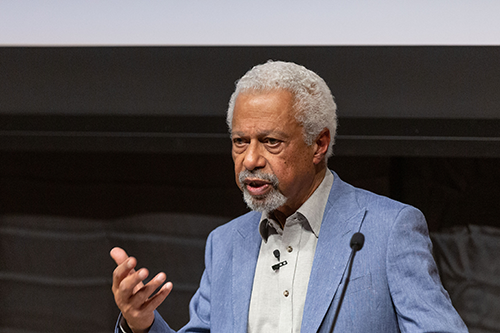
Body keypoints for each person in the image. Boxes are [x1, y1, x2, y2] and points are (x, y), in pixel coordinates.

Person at [111, 61, 468, 333]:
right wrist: (141, 324)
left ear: (319, 144)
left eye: (271, 142)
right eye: (240, 142)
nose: (250, 160)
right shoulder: (225, 243)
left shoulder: (387, 229)